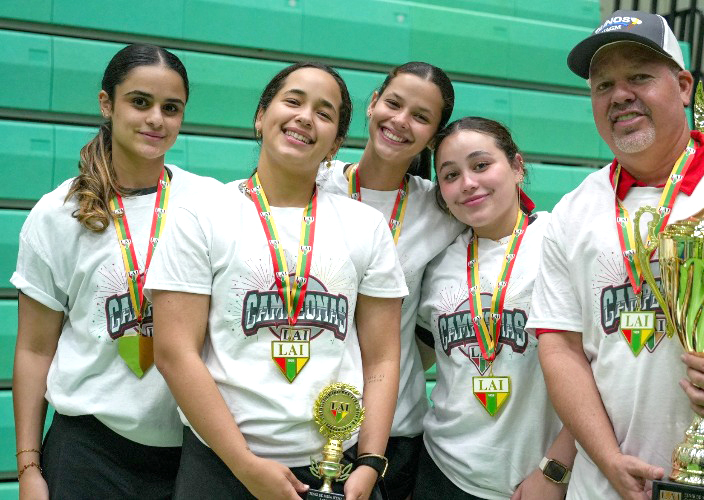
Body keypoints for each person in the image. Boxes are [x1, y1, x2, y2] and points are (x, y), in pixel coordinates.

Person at [526, 10, 704, 500]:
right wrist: (608, 461)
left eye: (638, 76)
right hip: (609, 486)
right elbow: (561, 348)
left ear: (684, 86)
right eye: (602, 85)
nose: (619, 95)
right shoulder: (570, 214)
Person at [145, 62, 407, 499]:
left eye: (324, 113)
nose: (306, 116)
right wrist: (244, 465)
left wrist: (370, 462)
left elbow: (382, 358)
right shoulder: (201, 215)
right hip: (223, 464)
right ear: (260, 116)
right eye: (293, 100)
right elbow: (174, 352)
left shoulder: (366, 226)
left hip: (336, 465)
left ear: (336, 143)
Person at [11, 44, 209, 498]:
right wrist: (28, 470)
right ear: (107, 103)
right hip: (89, 452)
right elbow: (35, 350)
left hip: (191, 453)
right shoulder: (57, 214)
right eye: (140, 102)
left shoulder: (209, 203)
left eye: (171, 108)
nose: (156, 119)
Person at [316, 61, 463, 499]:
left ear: (434, 136)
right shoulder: (314, 181)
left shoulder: (443, 210)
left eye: (420, 116)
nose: (400, 121)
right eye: (394, 104)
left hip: (395, 432)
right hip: (305, 422)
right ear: (372, 103)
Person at [414, 117, 575, 500]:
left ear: (517, 167)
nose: (467, 183)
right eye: (450, 175)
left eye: (481, 165)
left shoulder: (559, 243)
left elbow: (603, 374)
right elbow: (414, 359)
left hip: (538, 481)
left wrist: (555, 470)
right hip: (441, 473)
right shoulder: (436, 263)